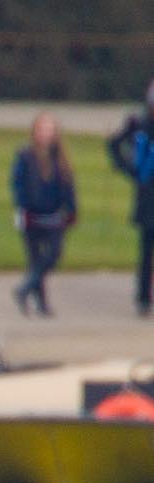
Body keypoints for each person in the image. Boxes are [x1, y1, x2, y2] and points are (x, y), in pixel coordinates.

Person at [12, 113, 77, 317]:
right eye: (42, 129)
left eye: (49, 129)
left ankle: (25, 288)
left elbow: (68, 186)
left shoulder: (60, 158)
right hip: (32, 216)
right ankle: (41, 303)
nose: (46, 134)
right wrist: (22, 207)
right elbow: (18, 184)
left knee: (53, 254)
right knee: (35, 259)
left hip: (54, 216)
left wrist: (72, 209)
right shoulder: (25, 155)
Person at [106, 82, 154, 317]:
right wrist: (129, 169)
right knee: (146, 252)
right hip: (148, 198)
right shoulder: (140, 125)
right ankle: (143, 298)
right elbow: (114, 145)